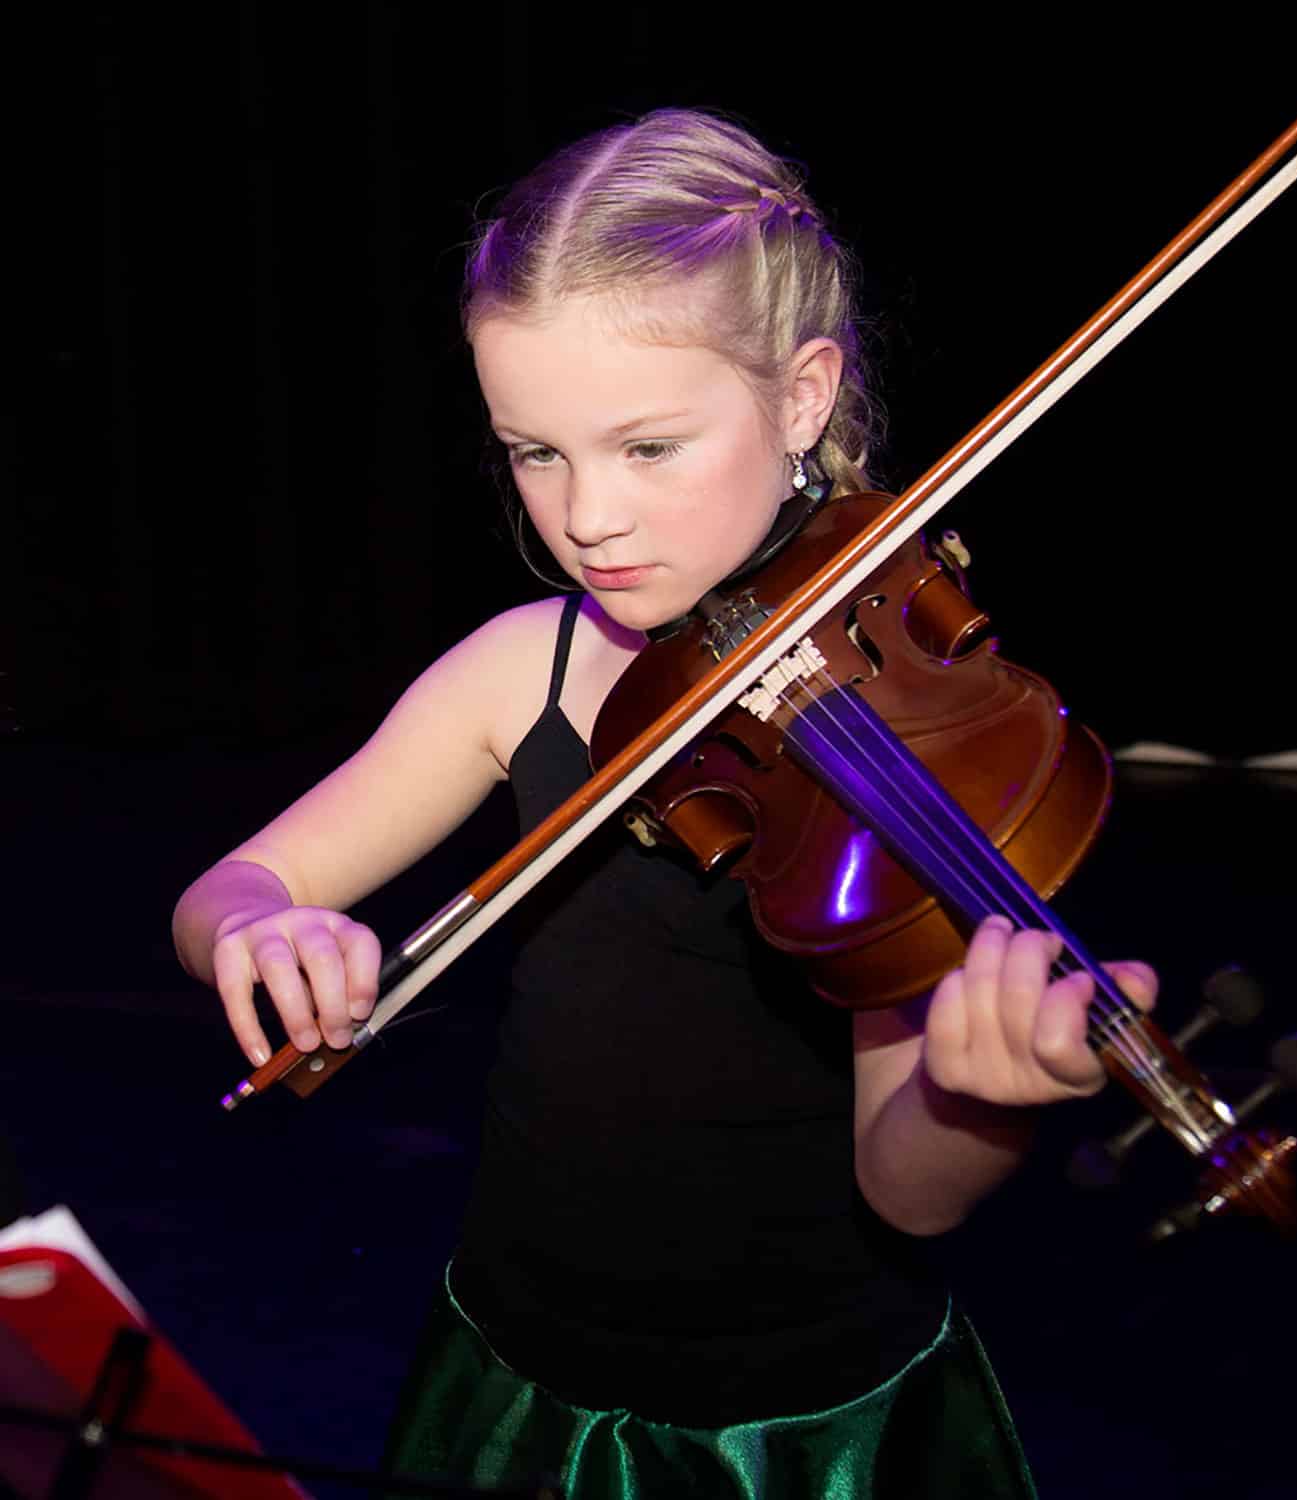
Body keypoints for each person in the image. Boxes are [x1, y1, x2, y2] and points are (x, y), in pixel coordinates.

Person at [172, 108, 1156, 1498]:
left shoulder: (887, 731)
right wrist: (257, 936)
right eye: (534, 452)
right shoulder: (526, 669)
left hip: (808, 1431)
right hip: (522, 1381)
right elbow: (227, 890)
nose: (586, 518)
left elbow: (906, 1190)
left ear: (802, 398)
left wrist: (977, 1102)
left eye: (647, 448)